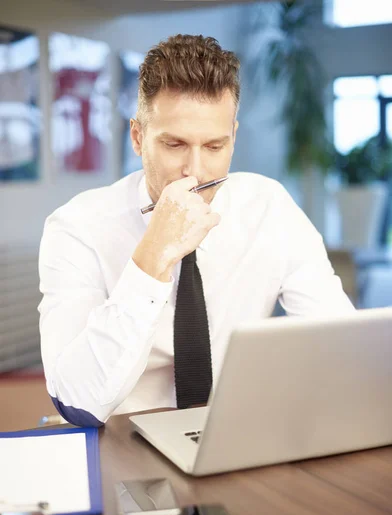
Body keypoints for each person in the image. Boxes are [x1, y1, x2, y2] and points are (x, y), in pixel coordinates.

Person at [38, 33, 354, 428]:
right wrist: (153, 254)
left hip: (236, 434)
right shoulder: (76, 227)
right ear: (137, 137)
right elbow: (77, 401)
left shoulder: (269, 207)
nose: (196, 170)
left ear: (234, 138)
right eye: (174, 145)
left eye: (214, 146)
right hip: (122, 440)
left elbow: (342, 347)